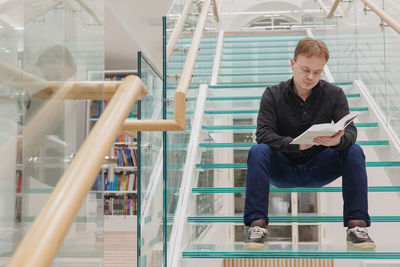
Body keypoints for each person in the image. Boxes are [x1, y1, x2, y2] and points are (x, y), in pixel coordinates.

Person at [243, 37, 375, 250]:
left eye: (317, 72)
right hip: (282, 168)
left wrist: (338, 140)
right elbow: (263, 134)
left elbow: (351, 131)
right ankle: (257, 226)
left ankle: (356, 226)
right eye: (305, 69)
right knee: (258, 150)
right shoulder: (272, 94)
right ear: (292, 63)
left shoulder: (335, 94)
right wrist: (295, 145)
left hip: (318, 168)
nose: (310, 77)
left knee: (354, 150)